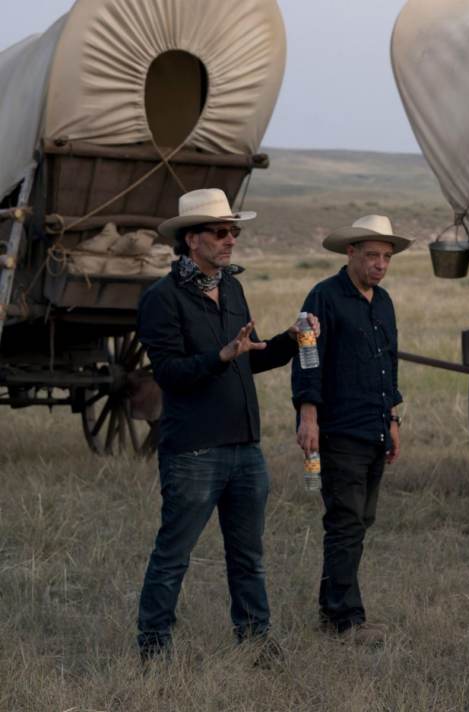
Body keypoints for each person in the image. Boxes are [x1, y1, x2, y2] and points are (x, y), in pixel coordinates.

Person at [136, 188, 318, 662]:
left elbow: (248, 358)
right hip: (194, 449)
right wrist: (221, 355)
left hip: (244, 448)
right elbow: (171, 374)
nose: (231, 239)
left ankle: (256, 642)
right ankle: (154, 650)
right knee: (173, 556)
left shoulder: (232, 287)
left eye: (234, 231)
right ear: (191, 239)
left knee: (248, 557)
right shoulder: (162, 298)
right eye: (221, 232)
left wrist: (292, 341)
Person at [292, 215, 410, 644]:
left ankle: (332, 608)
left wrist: (393, 419)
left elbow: (388, 364)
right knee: (344, 522)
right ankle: (347, 619)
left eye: (386, 257)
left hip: (375, 426)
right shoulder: (323, 296)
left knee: (360, 520)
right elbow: (307, 357)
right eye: (372, 256)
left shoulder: (384, 302)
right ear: (351, 253)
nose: (380, 265)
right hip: (339, 429)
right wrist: (308, 416)